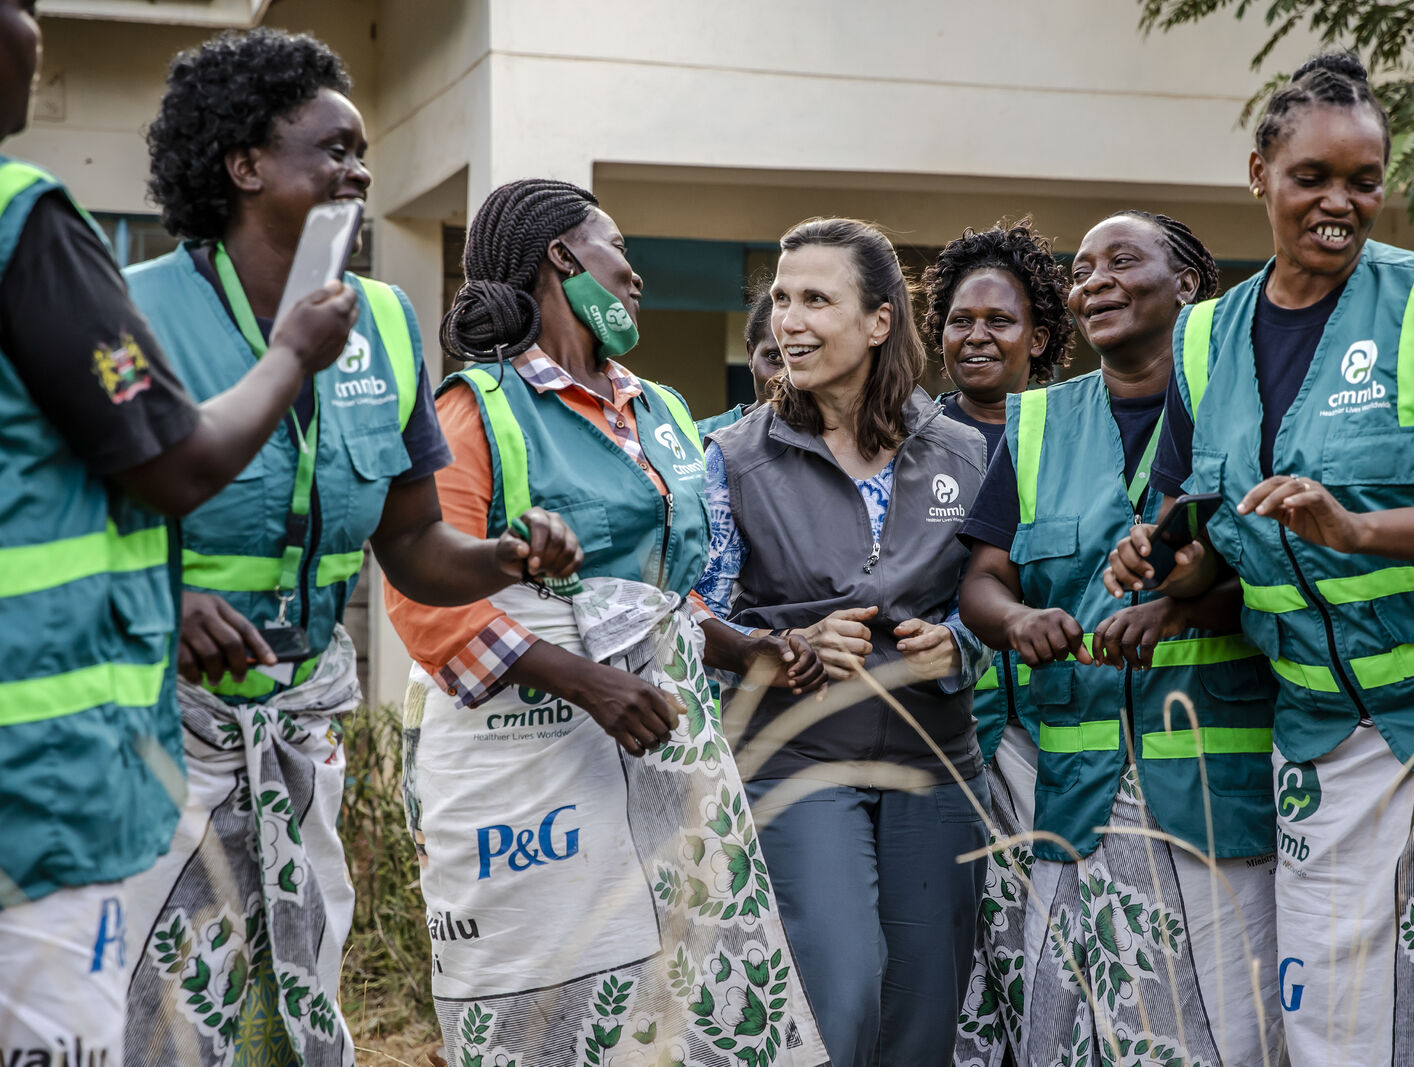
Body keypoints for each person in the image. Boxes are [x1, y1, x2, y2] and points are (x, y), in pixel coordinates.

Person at [1108, 52, 1414, 1066]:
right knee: (1328, 1010)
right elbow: (1202, 540)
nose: (1340, 201)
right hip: (1320, 730)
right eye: (1311, 178)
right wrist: (1162, 565)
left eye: (1363, 179)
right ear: (1259, 176)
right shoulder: (1201, 340)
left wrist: (1357, 528)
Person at [116, 30, 580, 1067]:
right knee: (162, 1008)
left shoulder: (384, 318)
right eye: (333, 148)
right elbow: (57, 515)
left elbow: (412, 541)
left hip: (302, 719)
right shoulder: (135, 309)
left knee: (295, 1005)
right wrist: (165, 595)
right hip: (159, 729)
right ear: (244, 166)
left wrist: (504, 556)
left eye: (361, 151)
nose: (359, 170)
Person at [383, 178, 830, 1067]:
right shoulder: (479, 408)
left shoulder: (659, 409)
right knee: (567, 998)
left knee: (695, 1001)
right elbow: (423, 599)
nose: (634, 273)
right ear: (562, 254)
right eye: (615, 244)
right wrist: (584, 681)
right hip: (531, 766)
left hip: (667, 752)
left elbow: (660, 592)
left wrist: (745, 646)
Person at [0, 3, 366, 1060]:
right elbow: (169, 463)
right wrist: (293, 353)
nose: (35, 31)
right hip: (45, 781)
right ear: (245, 165)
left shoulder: (383, 321)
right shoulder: (33, 226)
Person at [958, 210, 1282, 1066]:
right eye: (1083, 267)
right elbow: (982, 582)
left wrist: (1181, 608)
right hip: (1076, 803)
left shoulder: (1244, 408)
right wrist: (1019, 618)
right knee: (1069, 1038)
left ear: (1186, 286)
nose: (1093, 279)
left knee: (1225, 1036)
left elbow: (1276, 571)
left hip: (1214, 802)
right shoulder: (1035, 426)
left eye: (1121, 260)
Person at [696, 217, 992, 1067]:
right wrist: (786, 641)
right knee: (844, 992)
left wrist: (960, 642)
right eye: (781, 298)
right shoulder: (733, 456)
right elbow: (699, 613)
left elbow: (996, 597)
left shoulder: (965, 451)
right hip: (799, 762)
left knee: (923, 1017)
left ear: (879, 321)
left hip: (936, 767)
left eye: (816, 299)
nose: (788, 319)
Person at [918, 218, 1071, 1065]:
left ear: (1038, 337)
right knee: (962, 945)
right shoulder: (907, 440)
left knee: (1048, 934)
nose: (976, 335)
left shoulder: (1070, 435)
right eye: (960, 319)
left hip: (1053, 734)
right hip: (943, 735)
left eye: (1000, 320)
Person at [696, 285, 784, 439]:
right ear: (750, 354)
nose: (786, 376)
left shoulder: (835, 445)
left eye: (804, 357)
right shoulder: (703, 439)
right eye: (774, 357)